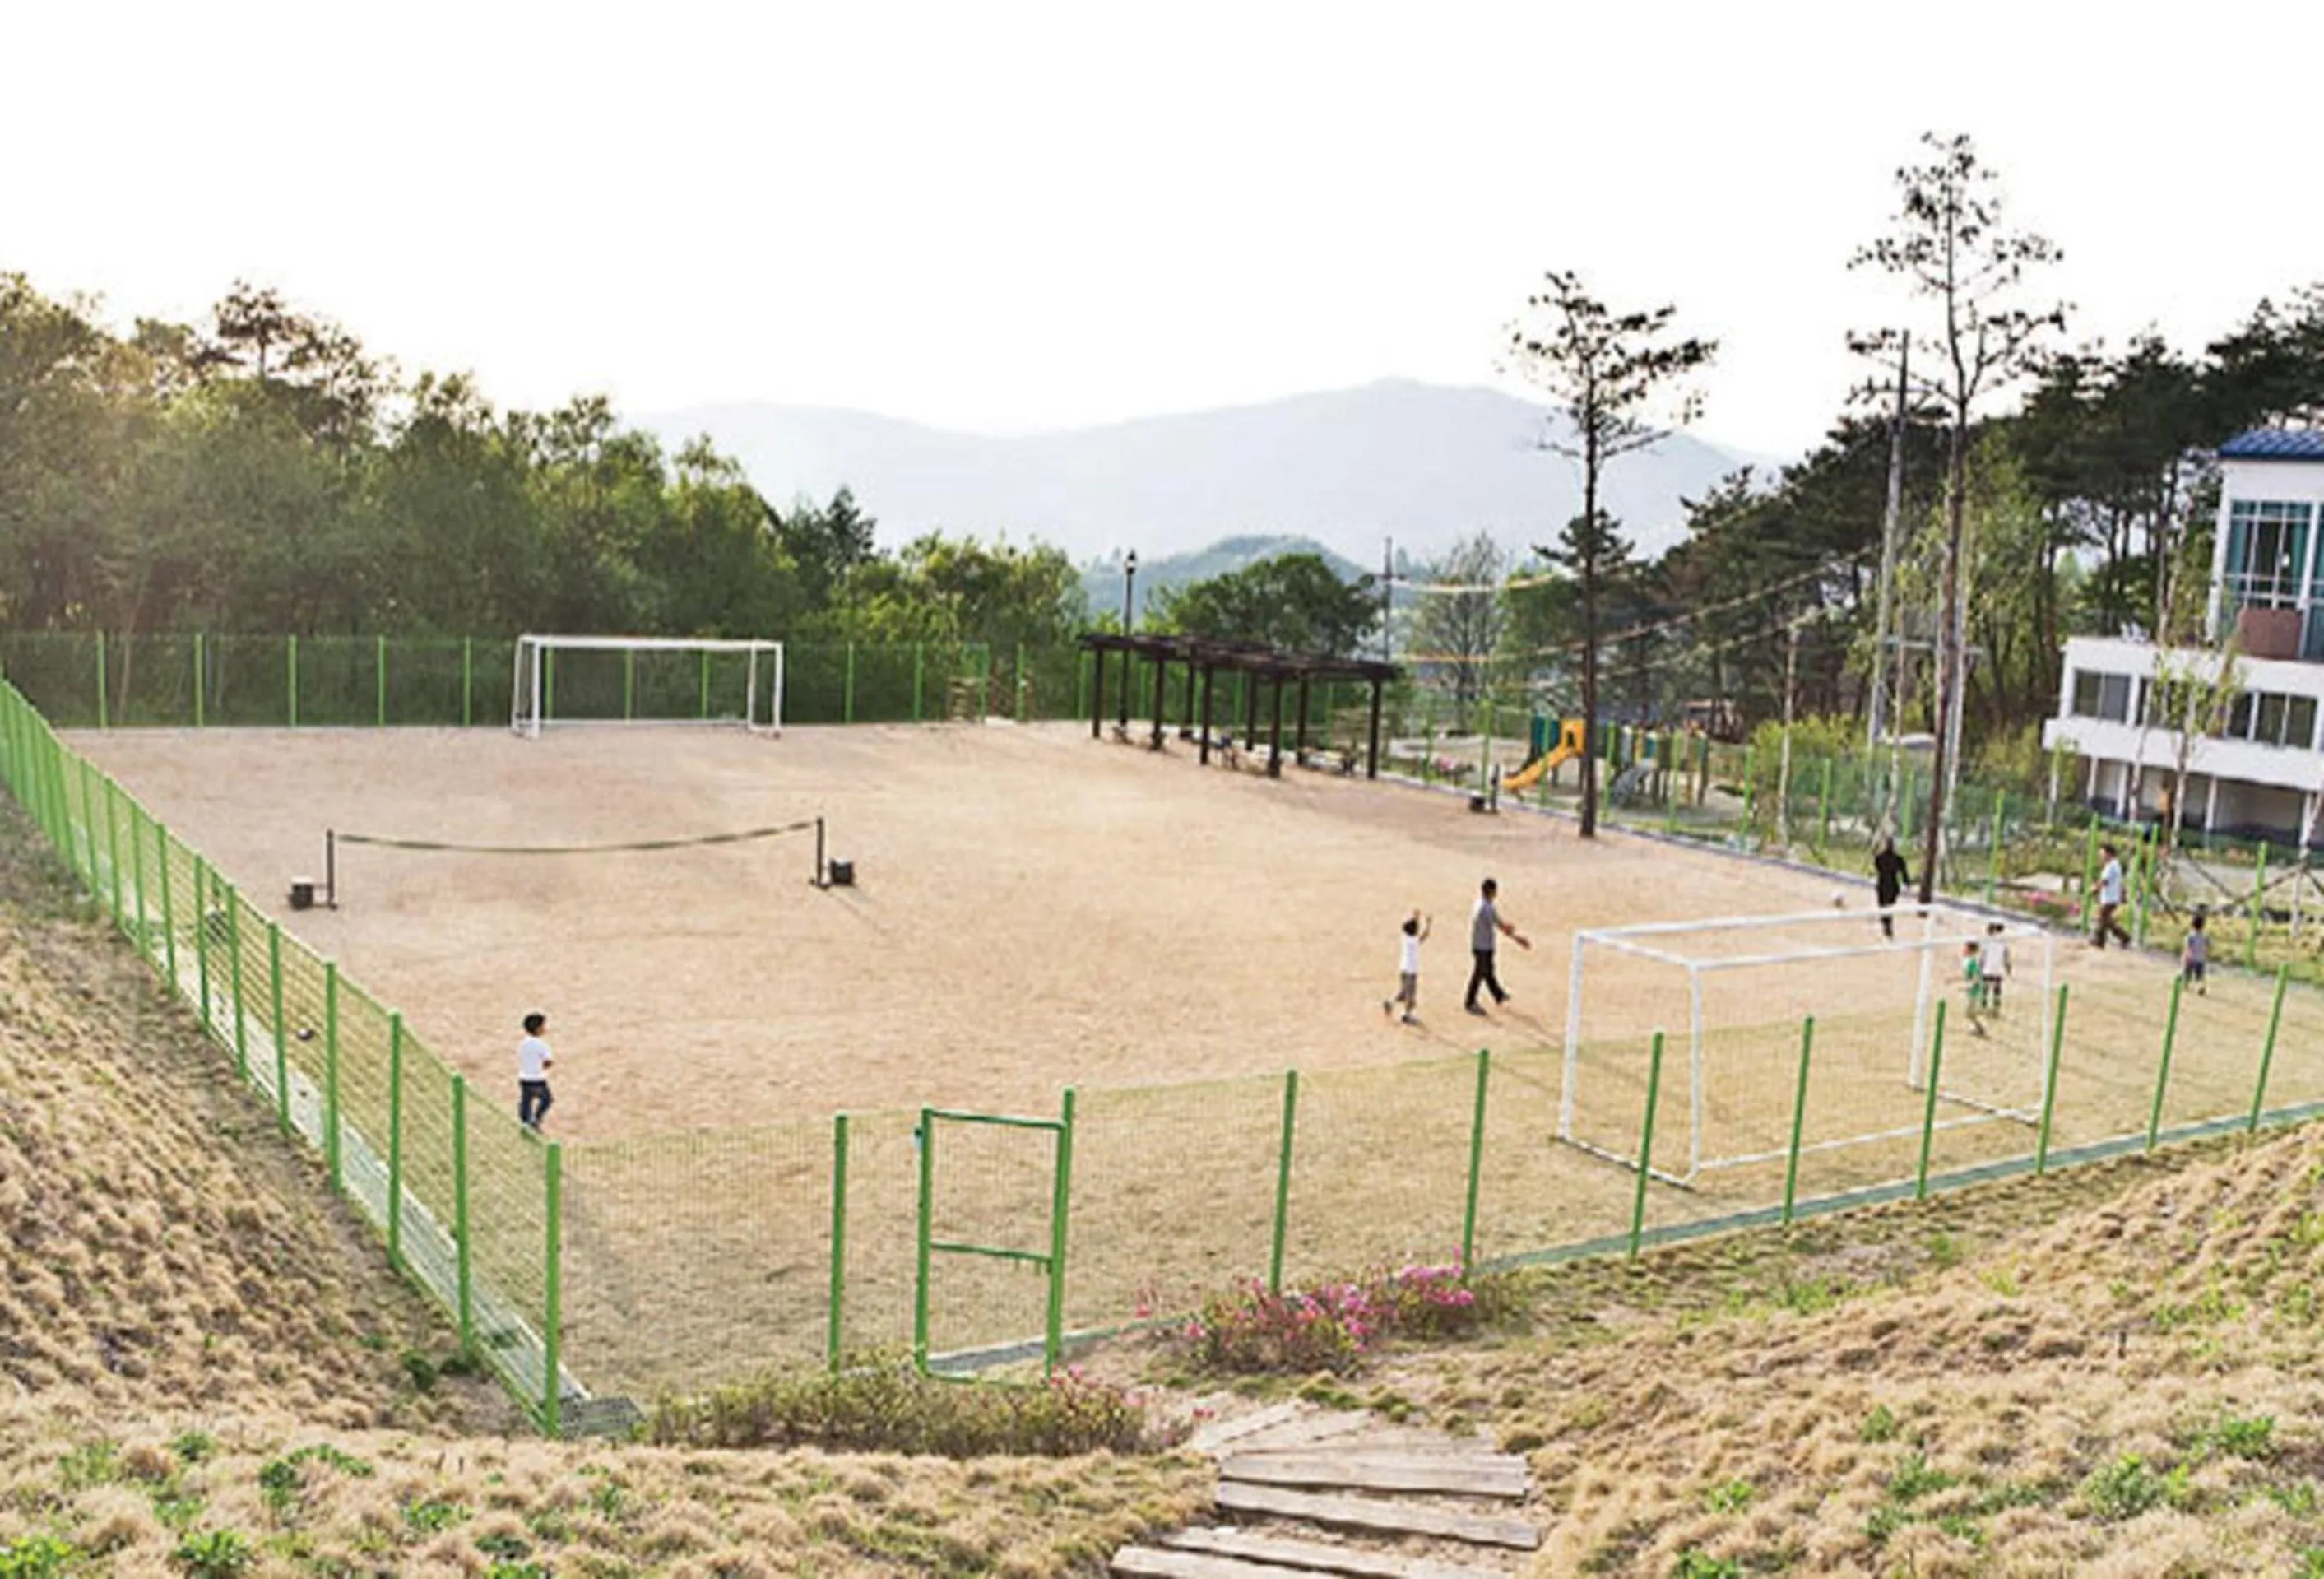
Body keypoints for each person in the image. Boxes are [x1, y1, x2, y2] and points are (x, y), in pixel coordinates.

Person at [1464, 878, 1531, 1015]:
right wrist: (1518, 938)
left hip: (1480, 944)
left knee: (1488, 971)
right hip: (1484, 946)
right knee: (1479, 973)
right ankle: (1470, 1002)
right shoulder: (1487, 908)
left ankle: (1498, 994)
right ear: (1492, 892)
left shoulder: (1480, 904)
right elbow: (1501, 926)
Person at [1382, 909, 1431, 1025]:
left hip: (1403, 969)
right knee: (1411, 997)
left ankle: (1390, 1003)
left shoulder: (1405, 938)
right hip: (1411, 972)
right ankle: (1407, 1015)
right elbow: (1424, 935)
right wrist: (1428, 924)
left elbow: (1413, 930)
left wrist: (1416, 917)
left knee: (1403, 992)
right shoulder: (1414, 941)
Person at [517, 1011, 555, 1133]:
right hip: (537, 1079)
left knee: (526, 1099)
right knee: (547, 1099)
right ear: (539, 1029)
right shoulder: (542, 1045)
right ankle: (536, 1119)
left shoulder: (523, 1043)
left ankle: (525, 1120)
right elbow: (548, 1061)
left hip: (524, 1077)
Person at [2094, 843, 2131, 949]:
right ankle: (2123, 938)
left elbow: (2105, 881)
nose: (2101, 856)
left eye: (2102, 854)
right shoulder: (2115, 865)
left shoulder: (2111, 866)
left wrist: (2095, 888)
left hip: (2109, 897)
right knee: (2106, 920)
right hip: (2111, 897)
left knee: (2102, 918)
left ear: (2108, 854)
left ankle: (2100, 941)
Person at [1872, 837, 1911, 940]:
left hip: (1883, 884)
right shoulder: (1898, 859)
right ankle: (1887, 924)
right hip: (1892, 886)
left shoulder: (1880, 857)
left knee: (1883, 905)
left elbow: (1877, 867)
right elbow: (1904, 873)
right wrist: (1907, 883)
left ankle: (1886, 924)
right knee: (1888, 906)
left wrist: (1907, 881)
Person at [1979, 922, 2011, 1013]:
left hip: (1987, 969)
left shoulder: (1987, 941)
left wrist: (1979, 968)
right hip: (1998, 970)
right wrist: (2008, 969)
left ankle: (1984, 1007)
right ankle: (1996, 1009)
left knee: (1985, 990)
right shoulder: (2003, 942)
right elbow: (2006, 957)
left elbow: (1982, 957)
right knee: (1997, 991)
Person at [2183, 909, 2210, 996]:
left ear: (2192, 925)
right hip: (2201, 959)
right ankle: (2199, 987)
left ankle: (2185, 985)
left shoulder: (2190, 935)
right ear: (2203, 926)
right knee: (2199, 976)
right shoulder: (2204, 936)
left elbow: (2187, 946)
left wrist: (2186, 956)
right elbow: (2208, 945)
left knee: (2187, 973)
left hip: (2191, 958)